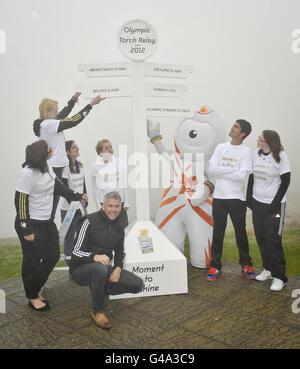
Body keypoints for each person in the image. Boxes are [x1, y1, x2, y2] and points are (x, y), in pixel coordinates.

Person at [14, 140, 88, 311]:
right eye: (49, 149)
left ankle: (34, 288)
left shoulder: (47, 170)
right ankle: (32, 296)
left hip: (47, 223)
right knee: (31, 261)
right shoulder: (27, 174)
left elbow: (60, 189)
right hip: (31, 224)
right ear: (43, 154)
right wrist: (27, 228)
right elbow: (20, 201)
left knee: (53, 256)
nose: (52, 151)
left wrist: (78, 195)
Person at [69, 192, 144, 329]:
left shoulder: (119, 226)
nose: (113, 209)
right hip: (80, 269)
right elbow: (75, 251)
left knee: (138, 285)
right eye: (110, 206)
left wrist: (118, 268)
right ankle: (97, 310)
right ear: (102, 206)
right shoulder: (88, 221)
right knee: (99, 267)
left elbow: (120, 252)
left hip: (103, 269)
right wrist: (94, 257)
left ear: (121, 208)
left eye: (116, 206)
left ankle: (100, 289)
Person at [33, 92, 105, 218]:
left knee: (69, 197)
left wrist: (72, 101)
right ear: (47, 112)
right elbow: (72, 121)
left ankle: (74, 219)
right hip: (55, 168)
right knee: (55, 203)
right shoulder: (48, 124)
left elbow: (63, 114)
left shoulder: (49, 123)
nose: (57, 113)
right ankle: (51, 225)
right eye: (54, 111)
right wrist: (90, 104)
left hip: (60, 167)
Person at [206, 119, 256, 281]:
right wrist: (232, 169)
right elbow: (211, 169)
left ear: (242, 134)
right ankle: (215, 266)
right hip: (219, 197)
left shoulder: (246, 152)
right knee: (218, 233)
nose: (232, 128)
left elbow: (242, 176)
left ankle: (246, 265)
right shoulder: (221, 147)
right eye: (233, 125)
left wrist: (223, 171)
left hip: (237, 199)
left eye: (236, 127)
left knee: (240, 233)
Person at [247, 130, 291, 291]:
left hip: (275, 206)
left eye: (261, 139)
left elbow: (286, 181)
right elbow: (252, 177)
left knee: (273, 240)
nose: (258, 140)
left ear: (269, 142)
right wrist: (249, 198)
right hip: (257, 203)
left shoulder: (281, 156)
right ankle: (269, 270)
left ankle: (280, 277)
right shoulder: (255, 154)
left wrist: (275, 203)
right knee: (261, 237)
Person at [60, 140, 87, 266]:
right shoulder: (65, 168)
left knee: (82, 237)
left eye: (77, 146)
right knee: (69, 238)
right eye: (74, 147)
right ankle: (70, 267)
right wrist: (75, 201)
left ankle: (80, 263)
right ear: (67, 152)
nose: (77, 148)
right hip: (68, 209)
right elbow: (65, 190)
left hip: (80, 208)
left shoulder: (81, 166)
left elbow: (83, 185)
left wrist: (85, 200)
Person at [91, 139, 129, 227]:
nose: (110, 149)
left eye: (110, 147)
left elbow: (124, 184)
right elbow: (95, 189)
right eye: (106, 148)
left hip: (119, 202)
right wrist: (98, 207)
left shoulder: (119, 163)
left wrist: (126, 202)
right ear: (100, 152)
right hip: (105, 204)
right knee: (108, 230)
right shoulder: (95, 167)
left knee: (122, 229)